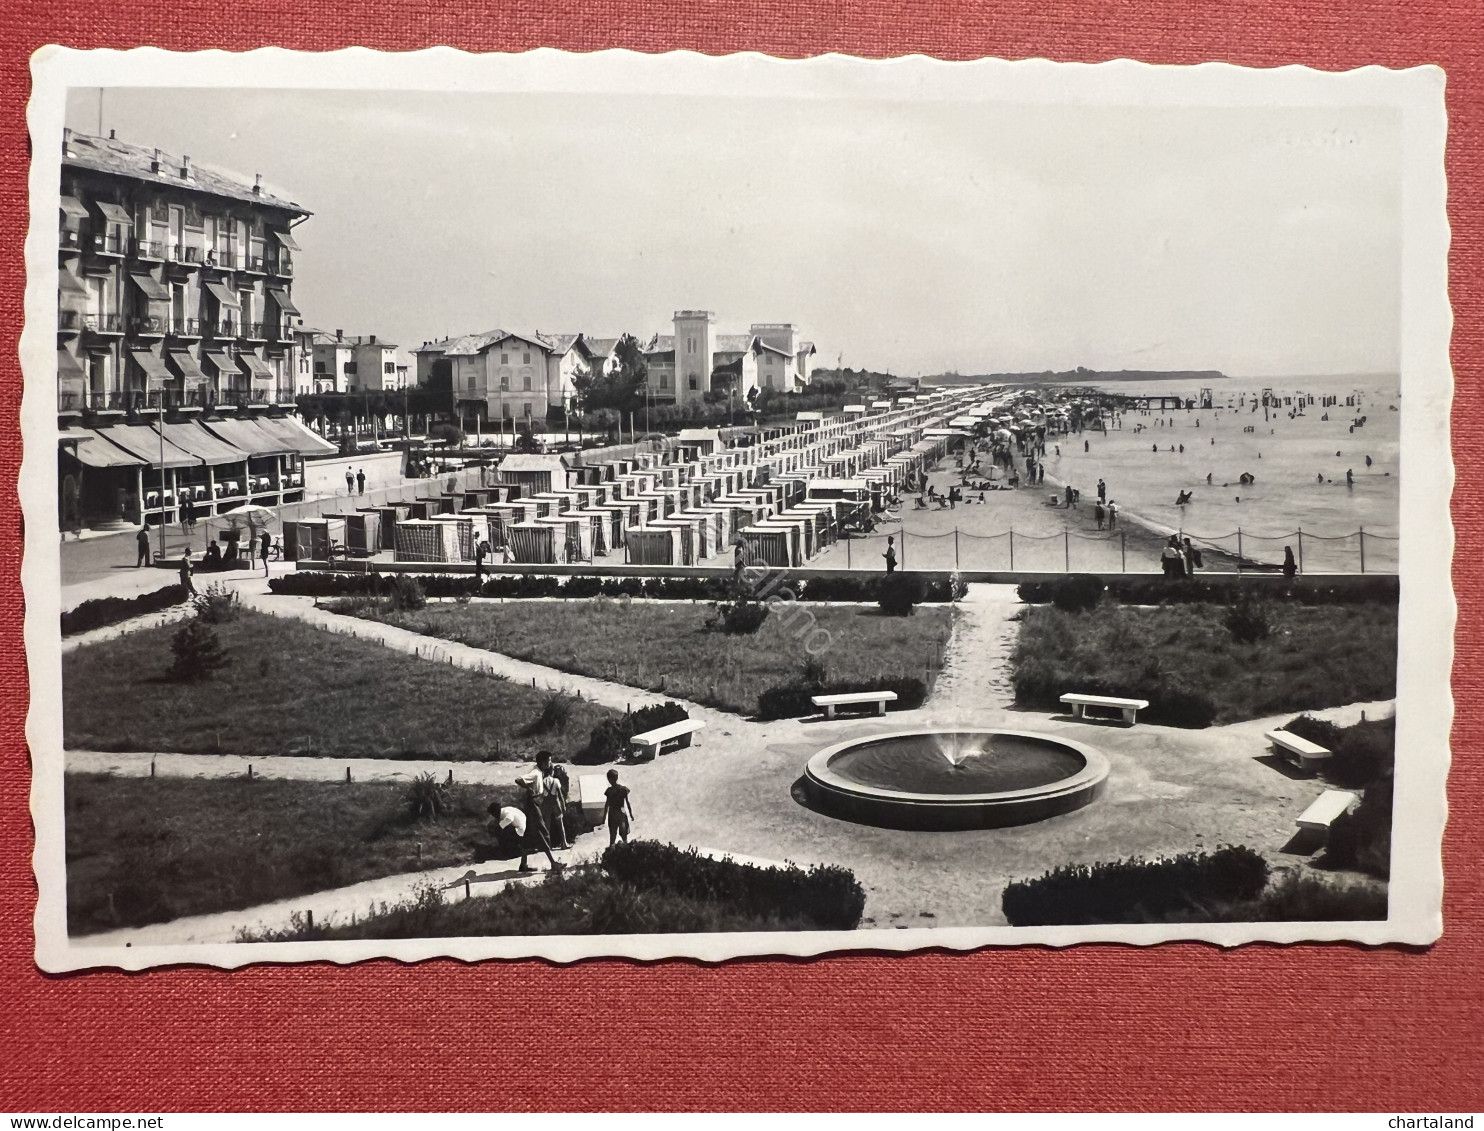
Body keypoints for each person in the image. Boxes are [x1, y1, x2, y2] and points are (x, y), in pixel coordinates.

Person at [511, 771, 562, 873]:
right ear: (543, 762)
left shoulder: (540, 773)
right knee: (542, 832)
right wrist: (529, 789)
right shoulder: (536, 772)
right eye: (548, 760)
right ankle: (553, 863)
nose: (549, 763)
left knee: (527, 834)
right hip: (533, 805)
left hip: (534, 804)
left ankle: (523, 864)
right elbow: (519, 779)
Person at [537, 751, 572, 850]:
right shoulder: (556, 781)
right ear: (552, 772)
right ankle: (563, 843)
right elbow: (560, 795)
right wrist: (563, 805)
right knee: (560, 824)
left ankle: (548, 845)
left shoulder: (542, 781)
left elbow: (541, 795)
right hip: (555, 804)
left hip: (546, 805)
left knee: (547, 826)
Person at [602, 767, 634, 847]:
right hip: (622, 813)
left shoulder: (609, 791)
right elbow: (627, 802)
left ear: (609, 779)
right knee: (624, 836)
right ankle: (626, 850)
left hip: (612, 814)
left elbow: (607, 805)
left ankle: (611, 853)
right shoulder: (623, 789)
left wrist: (603, 818)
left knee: (612, 836)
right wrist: (630, 814)